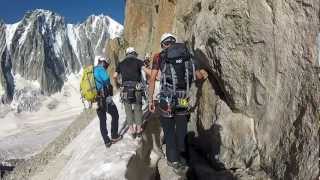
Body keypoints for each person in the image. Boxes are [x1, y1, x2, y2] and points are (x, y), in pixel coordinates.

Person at [148, 33, 207, 173]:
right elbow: (198, 75)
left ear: (163, 44)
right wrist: (205, 74)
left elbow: (152, 79)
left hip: (166, 98)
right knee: (181, 126)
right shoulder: (187, 54)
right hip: (183, 97)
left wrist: (150, 99)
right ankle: (183, 156)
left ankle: (173, 160)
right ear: (174, 41)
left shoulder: (159, 56)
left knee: (168, 130)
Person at [113, 47, 148, 139]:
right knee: (138, 108)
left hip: (125, 90)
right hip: (137, 88)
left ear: (127, 54)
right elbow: (146, 71)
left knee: (128, 110)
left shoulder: (121, 64)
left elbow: (114, 76)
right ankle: (139, 130)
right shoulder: (138, 61)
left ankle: (132, 131)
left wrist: (118, 85)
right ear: (134, 53)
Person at [94, 57, 122, 148]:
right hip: (104, 98)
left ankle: (106, 141)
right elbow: (107, 82)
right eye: (106, 64)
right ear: (103, 62)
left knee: (102, 120)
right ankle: (114, 136)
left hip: (96, 100)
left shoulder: (93, 71)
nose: (107, 66)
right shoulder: (101, 70)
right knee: (115, 114)